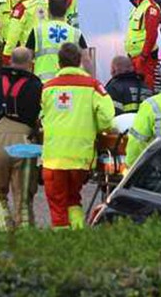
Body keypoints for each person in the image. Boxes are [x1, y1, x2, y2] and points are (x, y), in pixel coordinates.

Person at [40, 43, 114, 229]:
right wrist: (93, 127)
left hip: (54, 158)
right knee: (73, 198)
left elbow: (40, 118)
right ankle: (78, 233)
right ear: (79, 61)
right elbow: (107, 119)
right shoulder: (93, 86)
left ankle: (63, 244)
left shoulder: (48, 88)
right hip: (82, 158)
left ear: (59, 63)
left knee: (58, 204)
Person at [0, 47, 43, 229]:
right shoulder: (36, 86)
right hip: (25, 144)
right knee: (23, 200)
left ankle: (4, 231)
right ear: (30, 64)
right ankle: (25, 238)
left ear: (10, 61)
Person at [26, 0, 87, 82]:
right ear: (66, 10)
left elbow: (27, 58)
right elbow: (87, 60)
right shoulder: (75, 33)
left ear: (48, 10)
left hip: (43, 84)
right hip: (68, 85)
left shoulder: (37, 31)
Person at [125, 0, 161, 91]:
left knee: (145, 90)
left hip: (144, 60)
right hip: (135, 58)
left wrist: (143, 56)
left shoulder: (150, 8)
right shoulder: (138, 7)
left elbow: (151, 35)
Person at [3, 0, 49, 64]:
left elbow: (14, 33)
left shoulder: (22, 8)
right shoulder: (48, 3)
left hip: (29, 54)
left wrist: (7, 54)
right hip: (48, 51)